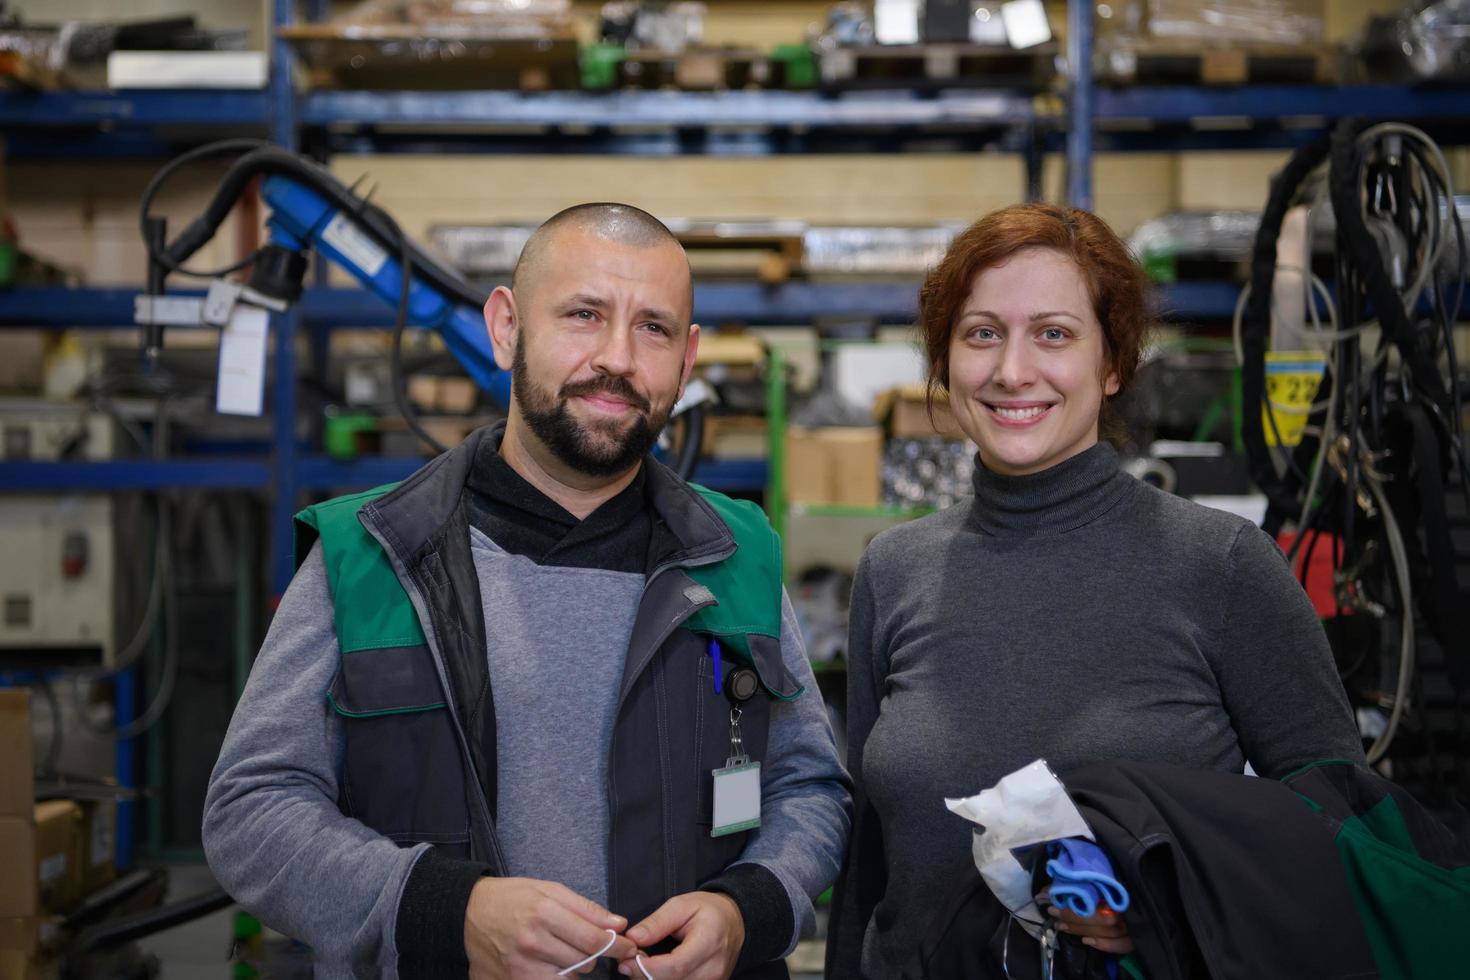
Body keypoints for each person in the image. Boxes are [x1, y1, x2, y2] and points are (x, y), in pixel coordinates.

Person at [204, 203, 851, 980]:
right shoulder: (373, 554)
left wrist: (748, 908)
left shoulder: (735, 556)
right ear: (505, 328)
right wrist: (447, 912)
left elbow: (809, 786)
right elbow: (251, 810)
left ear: (688, 360)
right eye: (584, 314)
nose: (617, 357)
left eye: (654, 328)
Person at [825, 203, 1365, 980]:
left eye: (1054, 333)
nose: (1013, 370)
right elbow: (871, 861)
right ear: (945, 362)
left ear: (1112, 365)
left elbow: (1338, 829)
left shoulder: (1221, 565)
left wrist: (1177, 903)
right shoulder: (894, 568)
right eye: (982, 333)